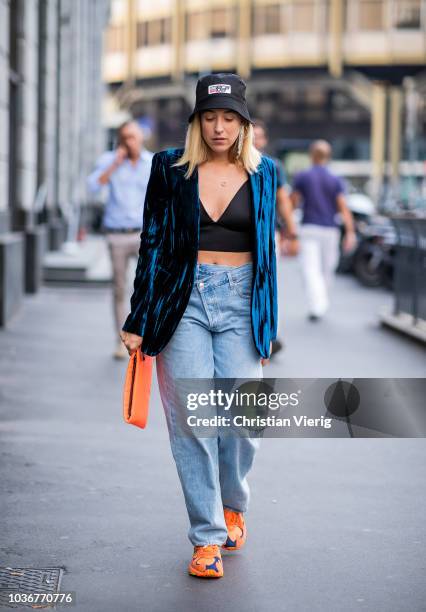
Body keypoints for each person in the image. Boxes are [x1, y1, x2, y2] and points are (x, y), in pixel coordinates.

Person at [119, 73, 278, 579]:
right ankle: (206, 537)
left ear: (243, 123)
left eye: (229, 117)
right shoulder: (169, 168)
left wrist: (267, 325)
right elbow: (152, 244)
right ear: (196, 121)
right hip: (181, 302)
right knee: (192, 423)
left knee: (243, 421)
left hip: (239, 302)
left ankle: (234, 502)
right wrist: (138, 318)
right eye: (209, 116)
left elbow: (268, 255)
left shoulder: (265, 172)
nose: (218, 126)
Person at [87, 120, 154, 359]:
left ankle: (148, 333)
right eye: (125, 137)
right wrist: (115, 163)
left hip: (144, 234)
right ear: (120, 139)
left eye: (134, 137)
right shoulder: (110, 161)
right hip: (116, 234)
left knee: (150, 285)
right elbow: (92, 186)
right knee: (119, 289)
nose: (130, 141)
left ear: (141, 138)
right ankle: (121, 340)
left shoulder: (152, 162)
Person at [280, 139, 356, 321]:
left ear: (311, 155)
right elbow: (343, 207)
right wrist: (351, 232)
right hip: (331, 229)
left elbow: (294, 201)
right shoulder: (336, 179)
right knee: (327, 268)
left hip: (309, 228)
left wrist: (287, 223)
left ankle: (317, 304)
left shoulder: (303, 176)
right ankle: (320, 302)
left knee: (310, 268)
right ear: (328, 156)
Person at [253, 118, 293, 355]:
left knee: (266, 280)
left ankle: (268, 332)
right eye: (252, 135)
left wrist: (291, 231)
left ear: (265, 140)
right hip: (241, 237)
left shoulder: (272, 165)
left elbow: (283, 200)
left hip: (269, 233)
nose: (256, 140)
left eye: (259, 136)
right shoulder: (234, 161)